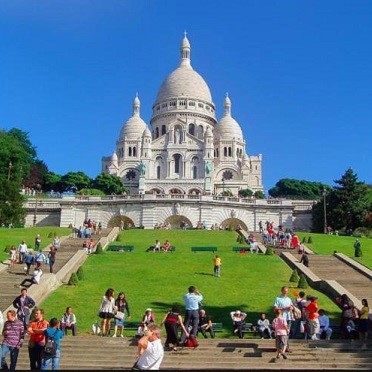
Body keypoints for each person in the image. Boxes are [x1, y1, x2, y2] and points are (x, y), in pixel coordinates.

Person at [274, 286, 294, 351]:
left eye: (287, 291)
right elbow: (275, 308)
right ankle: (279, 347)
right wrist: (284, 308)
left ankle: (286, 347)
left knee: (287, 332)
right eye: (284, 291)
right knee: (280, 333)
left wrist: (291, 308)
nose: (286, 293)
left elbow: (292, 306)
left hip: (288, 318)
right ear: (281, 291)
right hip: (281, 318)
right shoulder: (278, 298)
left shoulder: (289, 299)